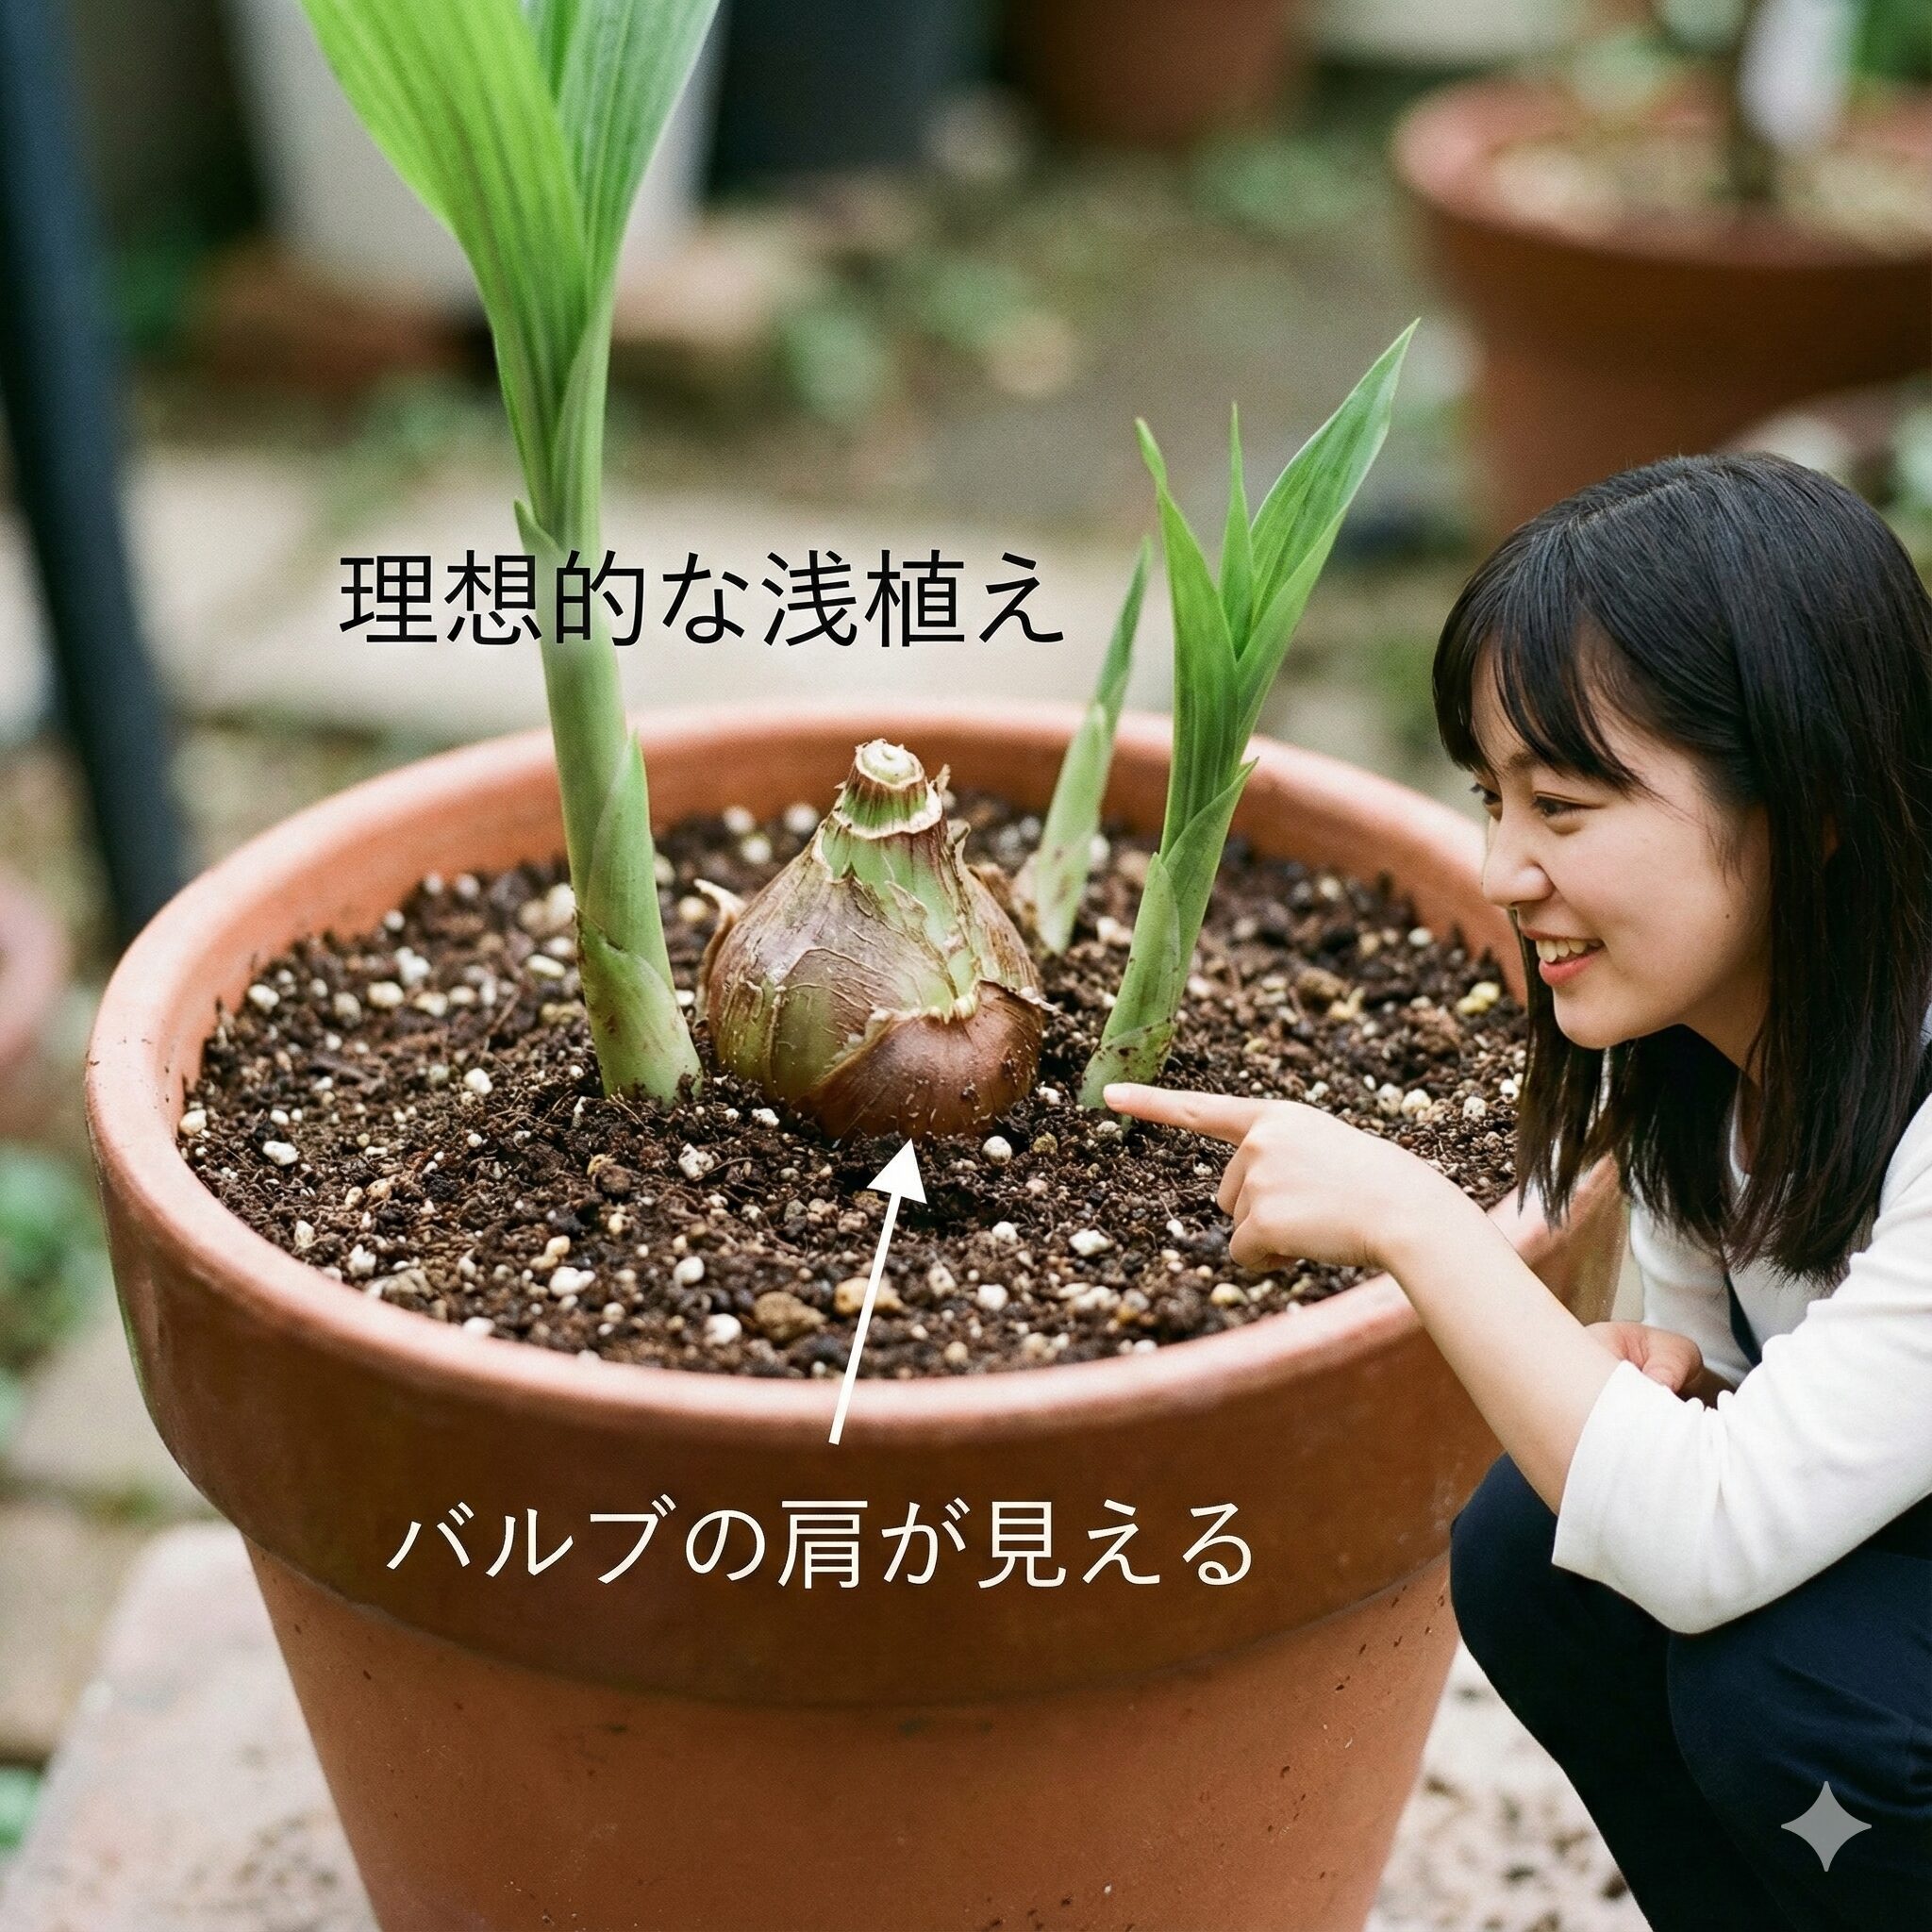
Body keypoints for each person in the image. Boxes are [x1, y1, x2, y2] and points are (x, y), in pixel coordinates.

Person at [1105, 452, 1932, 1932]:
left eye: (1565, 806)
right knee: (1537, 1557)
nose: (1500, 867)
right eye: (1491, 798)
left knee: (1786, 1691)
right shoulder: (1710, 1057)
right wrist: (1645, 1379)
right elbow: (1696, 1402)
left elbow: (1705, 1537)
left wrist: (1414, 1217)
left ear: (1809, 799)